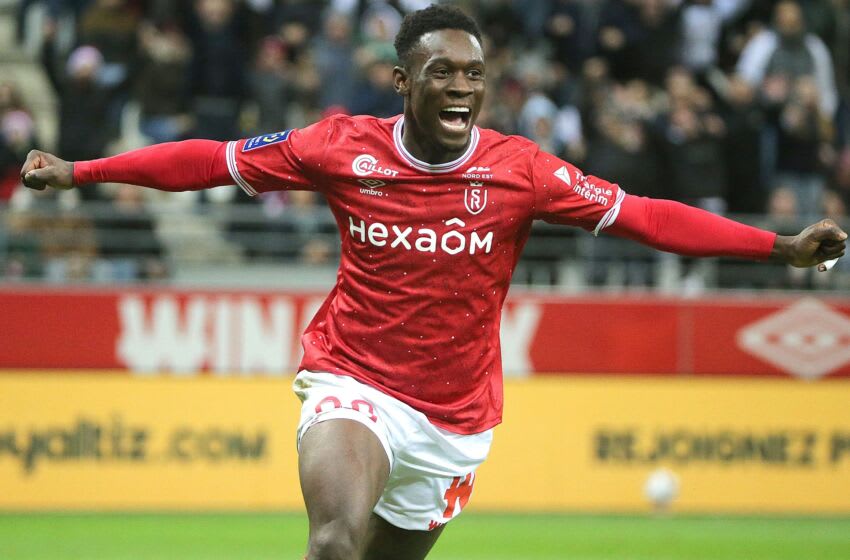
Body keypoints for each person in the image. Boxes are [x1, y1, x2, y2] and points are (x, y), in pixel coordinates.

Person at [19, 5, 846, 559]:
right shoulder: (340, 146)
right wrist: (82, 169)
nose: (462, 89)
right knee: (334, 543)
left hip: (456, 419)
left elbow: (647, 218)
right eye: (443, 74)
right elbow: (206, 160)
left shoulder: (522, 170)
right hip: (356, 379)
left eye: (473, 76)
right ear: (404, 83)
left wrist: (780, 248)